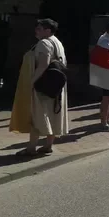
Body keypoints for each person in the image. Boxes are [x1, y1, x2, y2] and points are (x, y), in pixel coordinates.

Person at [11, 19, 69, 156]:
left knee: (37, 115)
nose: (36, 31)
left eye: (39, 28)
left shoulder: (44, 43)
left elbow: (43, 64)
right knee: (54, 113)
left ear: (48, 30)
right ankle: (48, 145)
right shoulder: (57, 42)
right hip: (56, 86)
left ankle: (31, 148)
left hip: (42, 85)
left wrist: (31, 82)